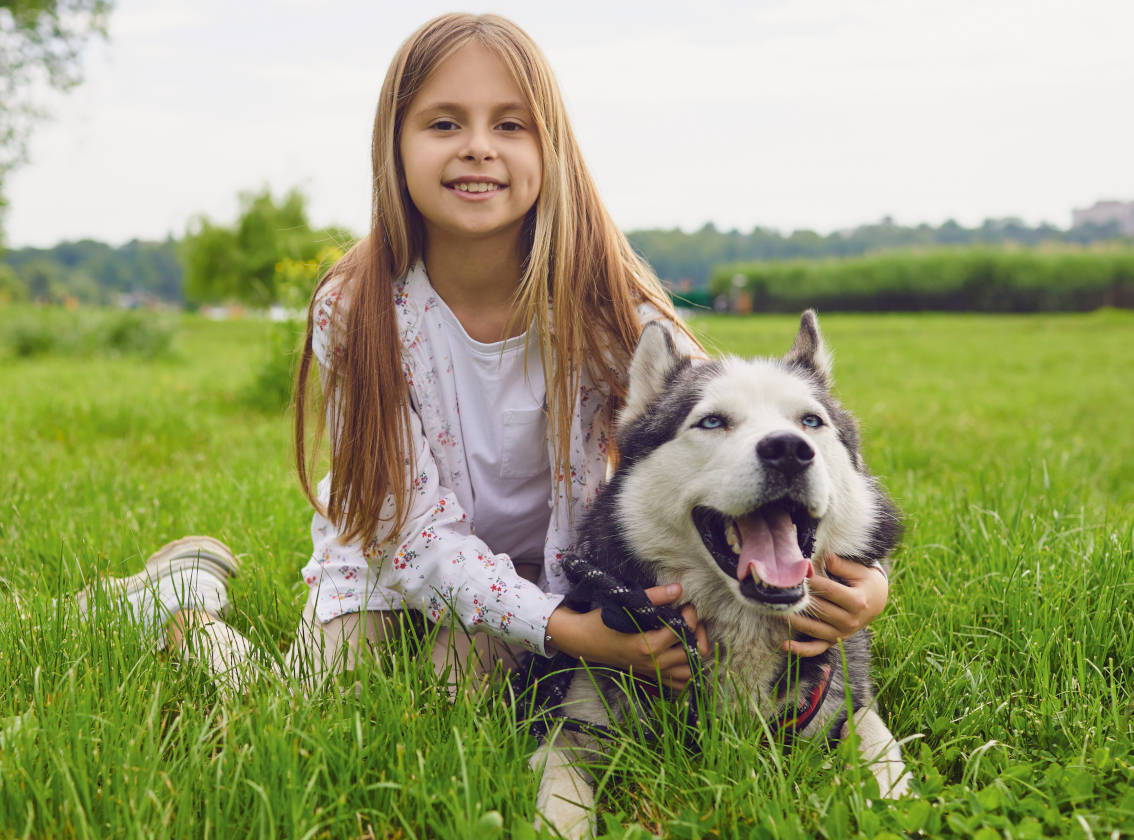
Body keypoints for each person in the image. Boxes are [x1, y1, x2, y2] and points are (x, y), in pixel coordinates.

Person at [85, 13, 888, 695]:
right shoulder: (357, 306)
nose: (477, 147)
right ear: (394, 146)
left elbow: (725, 447)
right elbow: (410, 531)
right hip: (389, 556)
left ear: (551, 149)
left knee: (456, 685)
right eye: (443, 123)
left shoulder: (611, 303)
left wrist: (867, 585)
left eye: (509, 124)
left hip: (547, 571)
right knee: (308, 704)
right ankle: (187, 606)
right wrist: (577, 638)